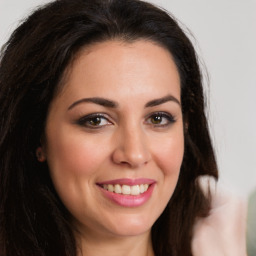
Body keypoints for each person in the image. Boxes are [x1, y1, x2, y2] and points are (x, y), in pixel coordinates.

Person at [1, 0, 240, 255]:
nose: (135, 154)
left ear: (185, 126)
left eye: (158, 118)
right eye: (96, 120)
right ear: (36, 134)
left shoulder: (238, 237)